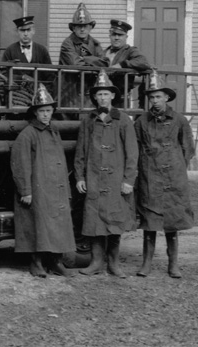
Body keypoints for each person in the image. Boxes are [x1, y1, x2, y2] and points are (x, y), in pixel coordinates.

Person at [74, 70, 138, 278]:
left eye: (106, 94)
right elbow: (81, 151)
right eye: (98, 94)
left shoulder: (123, 120)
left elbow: (132, 152)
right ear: (95, 97)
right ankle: (95, 262)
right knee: (94, 221)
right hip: (93, 177)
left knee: (115, 220)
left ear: (113, 96)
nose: (102, 97)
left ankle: (114, 263)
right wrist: (80, 177)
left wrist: (129, 179)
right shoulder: (88, 120)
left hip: (116, 178)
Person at [134, 70, 196, 278]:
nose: (155, 100)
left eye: (159, 96)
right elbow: (137, 147)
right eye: (152, 97)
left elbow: (188, 149)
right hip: (150, 176)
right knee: (150, 221)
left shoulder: (179, 120)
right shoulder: (142, 121)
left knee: (172, 221)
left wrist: (176, 167)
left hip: (173, 178)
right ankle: (146, 264)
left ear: (167, 97)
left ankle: (173, 264)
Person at [10, 84, 76, 278]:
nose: (46, 115)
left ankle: (56, 262)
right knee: (36, 226)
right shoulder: (27, 135)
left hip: (56, 189)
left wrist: (66, 190)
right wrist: (26, 191)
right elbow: (20, 165)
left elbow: (61, 163)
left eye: (49, 111)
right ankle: (36, 263)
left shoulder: (54, 132)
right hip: (38, 191)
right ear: (35, 113)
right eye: (42, 111)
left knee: (58, 226)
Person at [58, 3, 105, 108]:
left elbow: (104, 63)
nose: (82, 29)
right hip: (69, 92)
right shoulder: (67, 43)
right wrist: (94, 61)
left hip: (88, 91)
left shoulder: (96, 44)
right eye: (79, 26)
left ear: (90, 27)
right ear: (73, 28)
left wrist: (84, 58)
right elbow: (75, 64)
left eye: (85, 26)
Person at [103, 19, 152, 108]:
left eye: (120, 35)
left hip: (120, 97)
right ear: (110, 35)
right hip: (103, 96)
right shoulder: (103, 52)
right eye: (114, 34)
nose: (116, 38)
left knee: (120, 120)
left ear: (126, 36)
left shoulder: (130, 51)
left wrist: (122, 65)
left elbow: (143, 62)